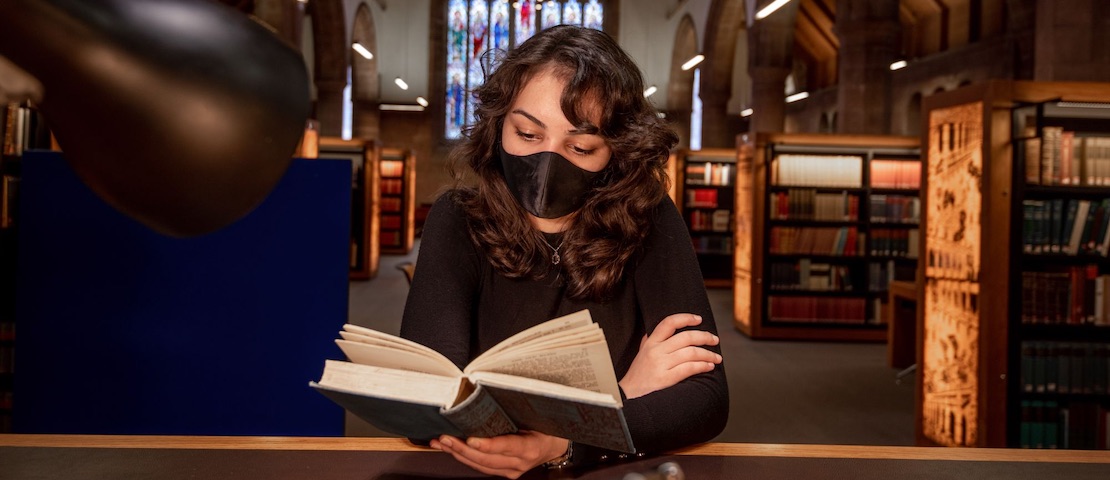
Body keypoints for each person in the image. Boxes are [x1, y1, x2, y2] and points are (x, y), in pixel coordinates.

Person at [399, 25, 728, 479]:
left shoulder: (648, 217)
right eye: (528, 134)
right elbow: (428, 406)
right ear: (499, 127)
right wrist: (619, 397)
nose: (547, 163)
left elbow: (706, 399)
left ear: (616, 152)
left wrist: (561, 441)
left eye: (580, 146)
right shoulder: (457, 219)